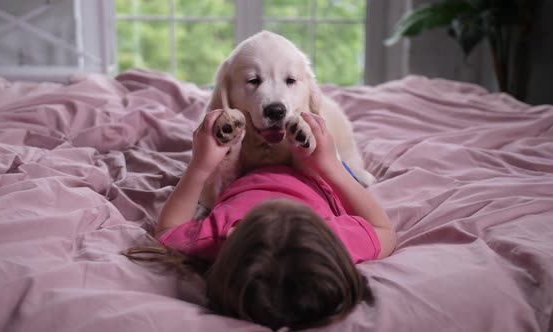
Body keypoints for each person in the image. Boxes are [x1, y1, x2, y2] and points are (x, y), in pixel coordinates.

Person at [125, 110, 396, 331]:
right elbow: (383, 229)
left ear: (232, 232)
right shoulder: (335, 243)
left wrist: (200, 165)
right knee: (312, 135)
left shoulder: (213, 239)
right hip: (311, 174)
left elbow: (168, 229)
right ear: (328, 234)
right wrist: (330, 166)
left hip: (242, 172)